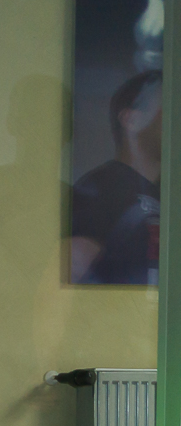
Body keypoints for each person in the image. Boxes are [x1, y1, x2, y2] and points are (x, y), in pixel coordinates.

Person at [71, 70, 163, 284]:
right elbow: (72, 273)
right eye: (167, 109)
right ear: (131, 120)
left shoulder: (166, 193)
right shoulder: (100, 188)